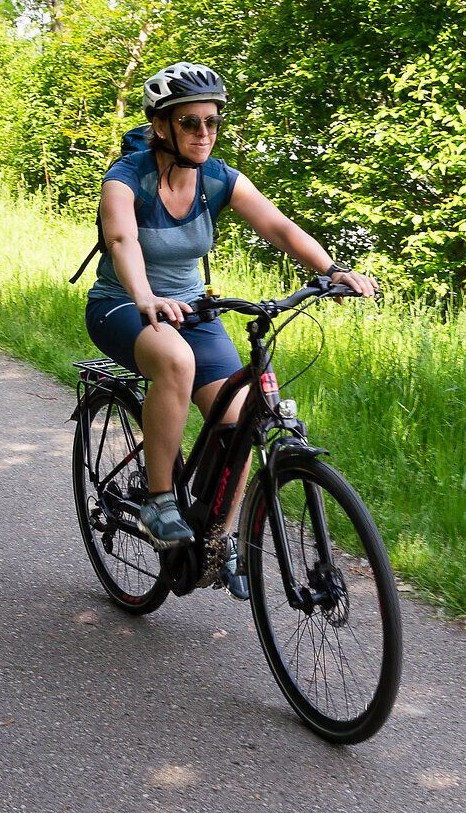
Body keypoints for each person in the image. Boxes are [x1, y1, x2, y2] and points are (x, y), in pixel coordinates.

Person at [83, 62, 376, 598]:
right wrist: (146, 297)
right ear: (162, 126)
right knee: (175, 362)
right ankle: (159, 500)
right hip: (123, 304)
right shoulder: (127, 179)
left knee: (242, 421)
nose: (204, 134)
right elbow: (122, 241)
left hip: (191, 309)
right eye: (190, 122)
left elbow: (278, 225)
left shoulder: (218, 178)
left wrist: (331, 271)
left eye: (212, 122)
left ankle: (217, 537)